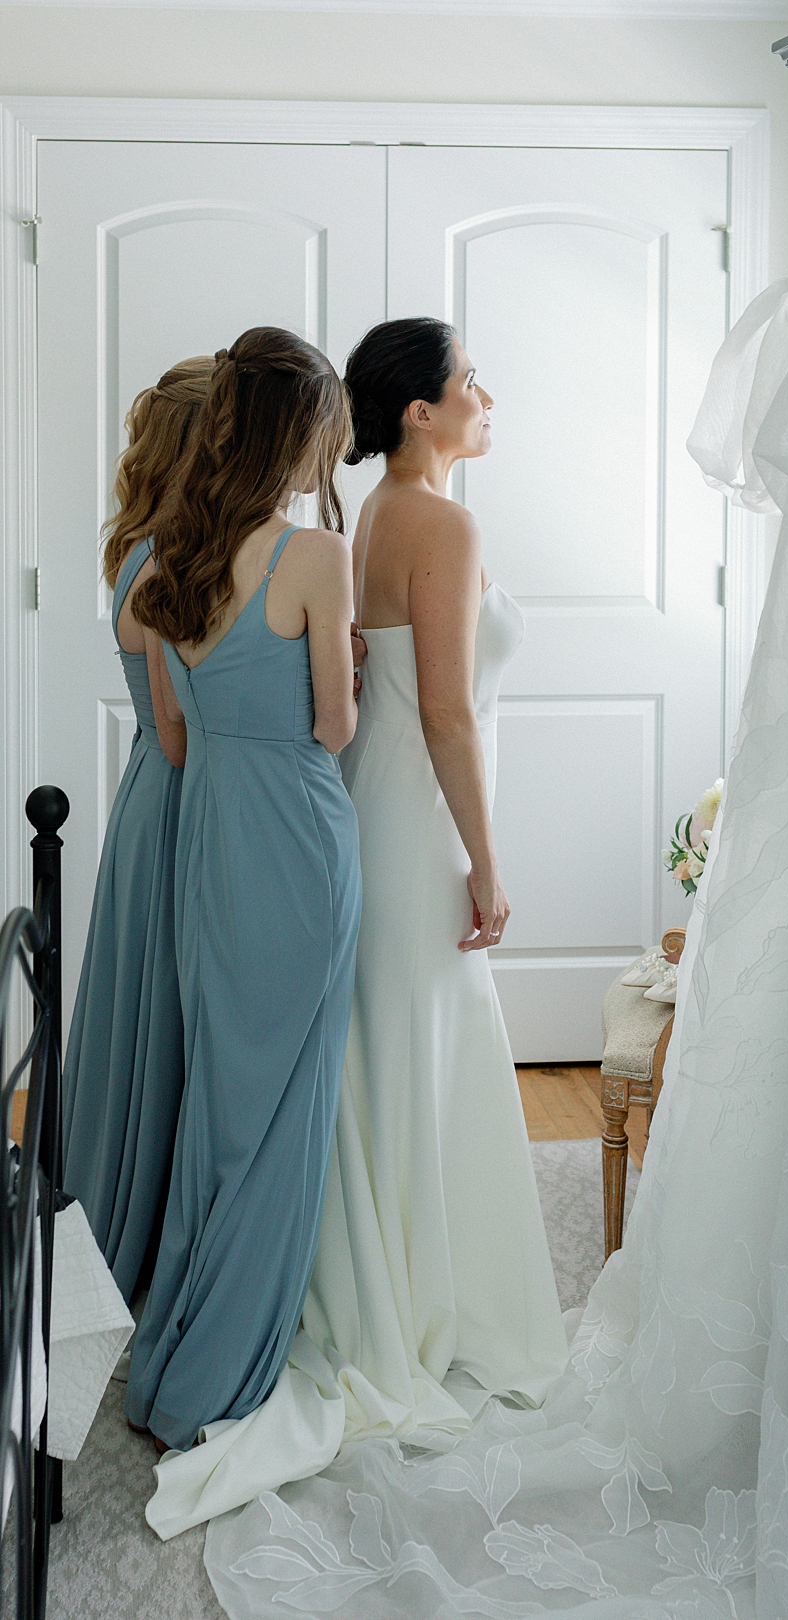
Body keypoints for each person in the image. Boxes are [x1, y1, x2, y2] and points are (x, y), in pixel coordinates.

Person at [302, 316, 567, 1437]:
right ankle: (420, 1299)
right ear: (422, 411)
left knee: (400, 1045)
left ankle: (393, 1275)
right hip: (420, 826)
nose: (486, 398)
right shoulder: (442, 524)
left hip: (380, 808)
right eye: (470, 382)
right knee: (427, 1037)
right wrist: (488, 865)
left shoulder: (374, 511)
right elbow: (449, 714)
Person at [123, 328, 362, 1454]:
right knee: (288, 1099)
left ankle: (168, 1356)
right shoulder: (314, 555)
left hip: (213, 841)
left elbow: (171, 739)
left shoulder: (169, 554)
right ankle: (225, 1362)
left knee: (222, 1098)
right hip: (301, 841)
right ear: (299, 435)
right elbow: (336, 727)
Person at [62, 357, 211, 1306]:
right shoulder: (165, 562)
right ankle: (152, 1231)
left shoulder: (137, 546)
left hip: (148, 790)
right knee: (169, 1008)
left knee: (149, 1005)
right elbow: (176, 727)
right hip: (176, 795)